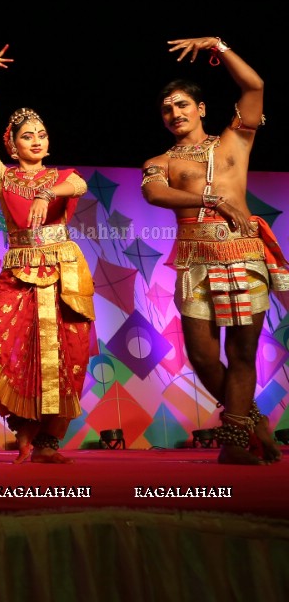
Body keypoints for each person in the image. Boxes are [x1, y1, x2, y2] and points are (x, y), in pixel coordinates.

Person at [140, 36, 285, 465]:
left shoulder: (234, 141)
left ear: (200, 109)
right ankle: (251, 420)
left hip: (243, 256)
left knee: (241, 352)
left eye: (182, 105)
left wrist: (220, 48)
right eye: (167, 108)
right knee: (203, 356)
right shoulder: (161, 161)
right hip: (195, 262)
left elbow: (254, 87)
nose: (175, 114)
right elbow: (153, 194)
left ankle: (237, 440)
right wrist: (210, 200)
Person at [0, 44, 95, 464]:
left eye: (41, 134)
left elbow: (78, 187)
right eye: (27, 136)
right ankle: (22, 430)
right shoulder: (2, 176)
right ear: (13, 145)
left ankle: (47, 443)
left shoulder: (61, 176)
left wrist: (46, 191)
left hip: (62, 272)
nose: (36, 140)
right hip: (19, 271)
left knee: (66, 353)